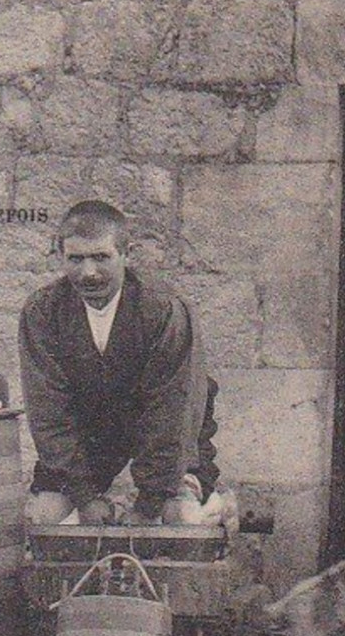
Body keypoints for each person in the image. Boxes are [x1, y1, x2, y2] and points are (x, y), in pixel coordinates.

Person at [18, 199, 219, 527]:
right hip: (90, 438)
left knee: (182, 518)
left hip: (167, 434)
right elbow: (48, 411)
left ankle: (215, 506)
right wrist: (84, 496)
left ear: (127, 253)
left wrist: (150, 503)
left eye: (101, 257)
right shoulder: (42, 312)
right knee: (44, 517)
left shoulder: (164, 310)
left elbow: (175, 411)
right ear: (59, 255)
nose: (89, 273)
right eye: (76, 259)